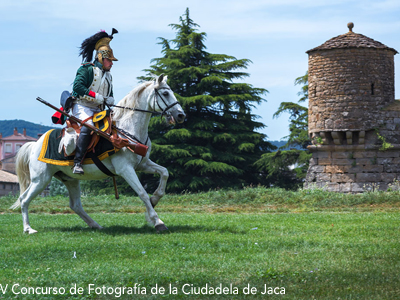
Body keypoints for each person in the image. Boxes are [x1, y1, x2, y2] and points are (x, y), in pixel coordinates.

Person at [71, 28, 118, 174]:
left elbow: (109, 94)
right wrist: (94, 96)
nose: (111, 63)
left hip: (98, 109)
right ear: (100, 58)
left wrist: (111, 100)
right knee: (89, 127)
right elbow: (77, 87)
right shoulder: (86, 69)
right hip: (82, 106)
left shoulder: (109, 76)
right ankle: (77, 162)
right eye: (109, 60)